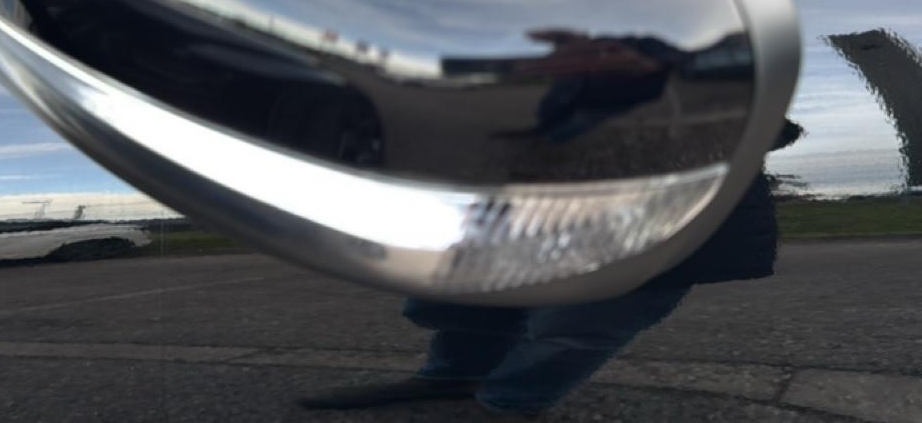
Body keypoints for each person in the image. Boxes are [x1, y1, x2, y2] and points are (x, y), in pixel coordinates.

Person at [300, 121, 803, 419]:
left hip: (663, 223)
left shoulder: (707, 67)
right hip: (532, 214)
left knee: (574, 328)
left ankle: (509, 404)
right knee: (468, 304)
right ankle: (453, 377)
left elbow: (771, 126)